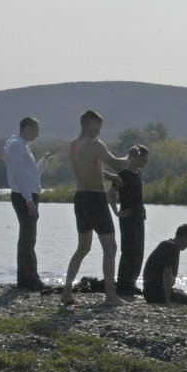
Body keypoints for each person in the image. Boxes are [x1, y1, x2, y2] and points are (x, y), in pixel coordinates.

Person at [60, 110, 128, 306]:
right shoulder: (96, 144)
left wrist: (108, 176)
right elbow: (118, 163)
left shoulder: (73, 145)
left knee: (83, 247)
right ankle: (110, 295)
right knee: (110, 247)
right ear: (90, 125)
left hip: (80, 198)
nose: (100, 131)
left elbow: (90, 165)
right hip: (96, 199)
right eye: (99, 127)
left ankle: (66, 291)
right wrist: (131, 156)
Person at [4, 117, 60, 290]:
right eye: (36, 129)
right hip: (23, 196)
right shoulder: (16, 146)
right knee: (27, 238)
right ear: (27, 128)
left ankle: (26, 278)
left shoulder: (22, 146)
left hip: (27, 195)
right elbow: (18, 175)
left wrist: (44, 159)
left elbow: (32, 175)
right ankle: (29, 279)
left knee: (29, 237)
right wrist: (29, 200)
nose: (38, 134)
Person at [109, 144, 149, 296]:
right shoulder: (123, 174)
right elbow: (111, 194)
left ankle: (131, 283)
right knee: (128, 251)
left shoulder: (138, 173)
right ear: (136, 157)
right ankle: (123, 285)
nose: (146, 162)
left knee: (138, 251)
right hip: (127, 219)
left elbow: (137, 195)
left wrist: (143, 209)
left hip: (139, 218)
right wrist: (117, 213)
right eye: (144, 158)